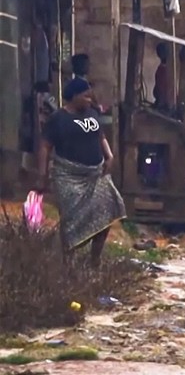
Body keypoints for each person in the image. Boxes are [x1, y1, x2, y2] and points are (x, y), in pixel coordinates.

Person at [35, 78, 126, 266]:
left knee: (109, 212)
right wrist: (42, 177)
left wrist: (109, 156)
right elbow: (45, 147)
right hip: (68, 177)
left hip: (95, 175)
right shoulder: (58, 119)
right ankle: (68, 265)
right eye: (85, 96)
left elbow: (101, 137)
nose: (89, 99)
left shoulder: (93, 114)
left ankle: (95, 260)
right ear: (74, 96)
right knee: (71, 221)